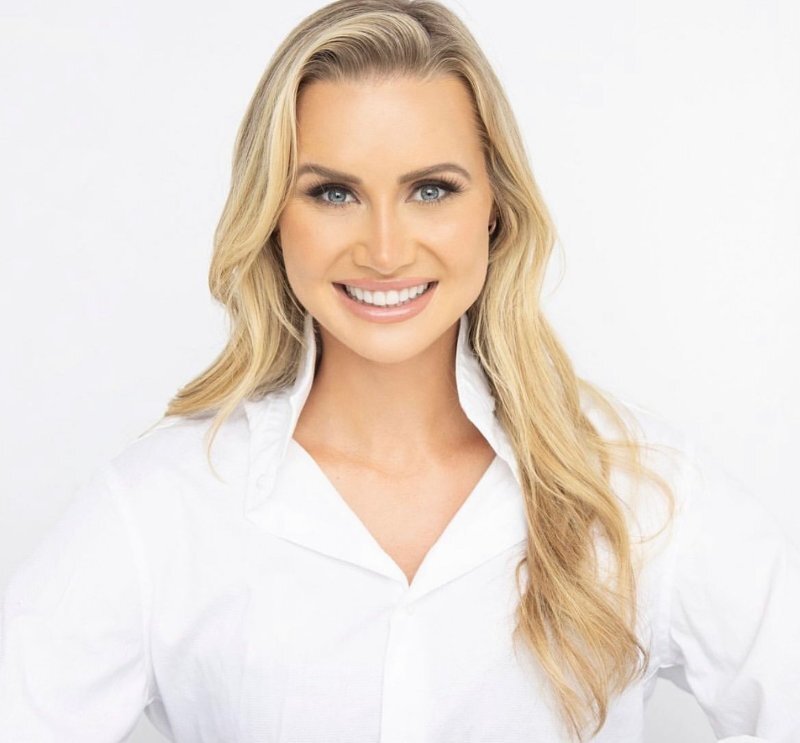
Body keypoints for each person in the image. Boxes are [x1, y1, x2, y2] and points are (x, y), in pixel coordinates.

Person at [1, 0, 798, 741]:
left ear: (495, 207)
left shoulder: (640, 490)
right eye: (333, 193)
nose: (384, 249)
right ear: (273, 216)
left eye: (430, 189)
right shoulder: (164, 509)